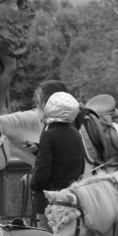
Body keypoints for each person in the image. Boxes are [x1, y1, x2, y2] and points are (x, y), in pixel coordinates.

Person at [31, 91, 85, 227]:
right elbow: (81, 166)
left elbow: (42, 172)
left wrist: (33, 184)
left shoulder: (48, 135)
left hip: (49, 201)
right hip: (71, 198)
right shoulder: (76, 134)